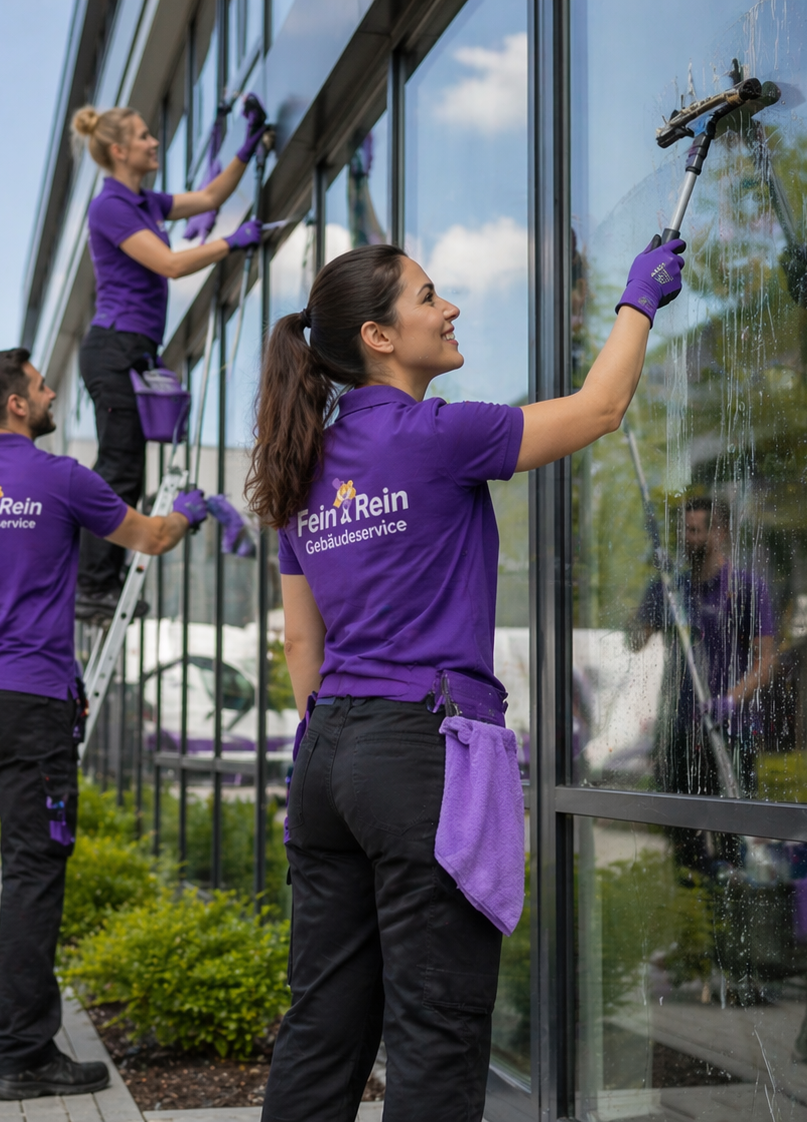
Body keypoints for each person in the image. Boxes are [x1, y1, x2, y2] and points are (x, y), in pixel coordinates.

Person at [246, 237, 686, 1121]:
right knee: (436, 1032)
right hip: (417, 754)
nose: (449, 310)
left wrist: (340, 741)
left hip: (328, 756)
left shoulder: (302, 467)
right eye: (429, 296)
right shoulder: (435, 434)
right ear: (378, 335)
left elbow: (303, 641)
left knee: (324, 1026)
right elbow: (601, 409)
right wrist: (637, 302)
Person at [0, 348, 207, 1100]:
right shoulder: (60, 479)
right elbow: (151, 538)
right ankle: (24, 1055)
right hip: (31, 705)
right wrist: (191, 510)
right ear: (19, 407)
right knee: (32, 876)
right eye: (40, 384)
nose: (53, 388)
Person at [69, 101, 266, 623]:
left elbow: (208, 197)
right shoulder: (109, 207)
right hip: (112, 350)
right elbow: (172, 264)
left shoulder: (143, 201)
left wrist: (245, 151)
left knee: (127, 471)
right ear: (119, 150)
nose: (154, 142)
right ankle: (93, 589)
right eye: (143, 136)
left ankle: (99, 585)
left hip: (132, 351)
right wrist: (231, 242)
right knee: (118, 469)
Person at [629, 495, 778, 867]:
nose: (687, 539)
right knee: (685, 845)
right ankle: (694, 907)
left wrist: (730, 699)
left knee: (734, 843)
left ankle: (732, 904)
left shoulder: (745, 589)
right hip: (679, 734)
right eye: (683, 531)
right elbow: (634, 641)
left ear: (720, 533)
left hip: (730, 732)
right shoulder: (671, 587)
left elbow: (766, 661)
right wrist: (653, 586)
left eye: (696, 531)